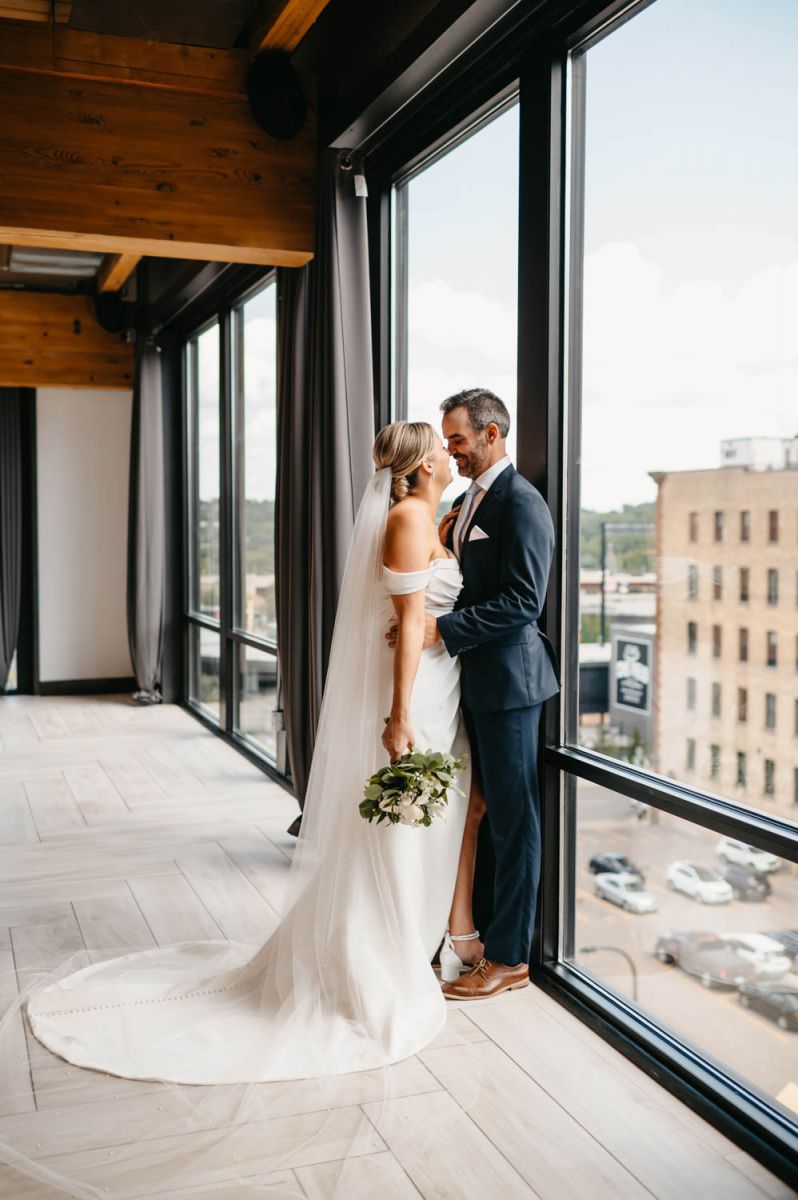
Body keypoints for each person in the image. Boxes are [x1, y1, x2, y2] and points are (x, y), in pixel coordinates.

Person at [20, 420, 484, 1089]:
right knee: (396, 832)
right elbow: (410, 622)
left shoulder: (428, 519)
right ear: (424, 465)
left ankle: (409, 944)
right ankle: (376, 964)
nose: (448, 450)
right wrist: (400, 716)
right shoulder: (409, 519)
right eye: (440, 446)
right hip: (414, 697)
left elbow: (416, 612)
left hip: (439, 691)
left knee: (418, 826)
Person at [387, 388, 561, 999]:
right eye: (447, 441)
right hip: (470, 683)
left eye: (457, 439)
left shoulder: (523, 504)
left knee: (514, 821)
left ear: (491, 434)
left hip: (511, 686)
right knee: (479, 813)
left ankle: (510, 960)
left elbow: (524, 601)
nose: (451, 450)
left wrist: (442, 629)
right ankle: (470, 935)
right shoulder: (464, 503)